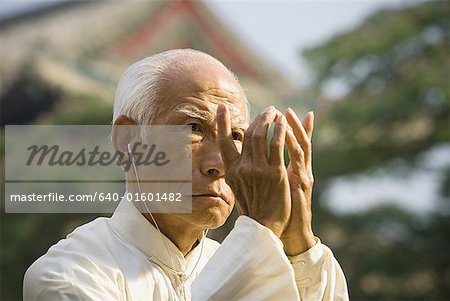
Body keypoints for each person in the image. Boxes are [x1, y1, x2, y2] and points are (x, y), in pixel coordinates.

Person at [23, 49, 349, 300]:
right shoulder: (71, 274)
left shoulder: (240, 259)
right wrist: (260, 228)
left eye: (234, 136)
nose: (219, 163)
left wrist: (298, 242)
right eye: (193, 128)